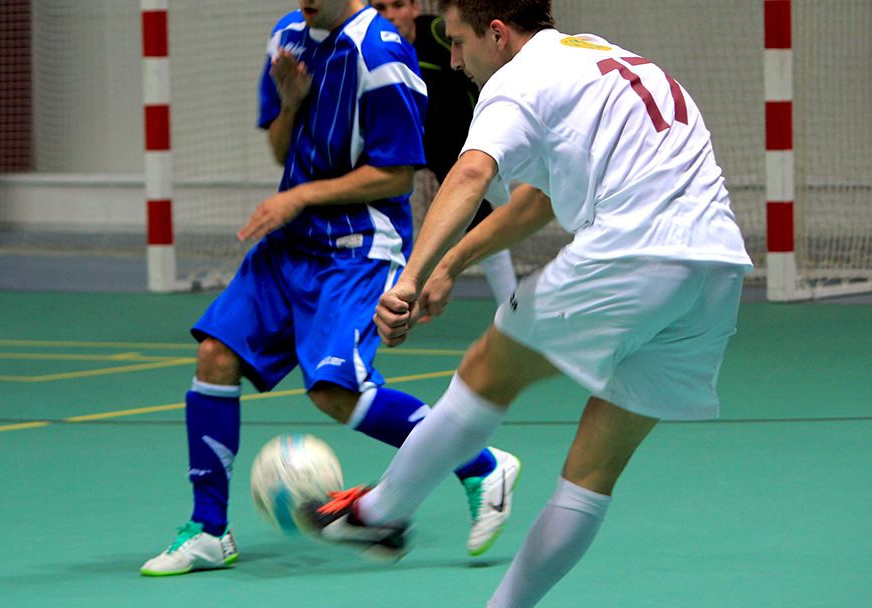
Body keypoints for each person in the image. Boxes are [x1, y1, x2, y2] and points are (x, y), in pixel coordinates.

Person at [307, 0, 754, 605]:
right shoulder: (599, 59)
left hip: (634, 252)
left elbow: (467, 178)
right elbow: (536, 204)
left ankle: (380, 512)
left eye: (460, 42)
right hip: (716, 272)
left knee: (486, 373)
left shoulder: (516, 79)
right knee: (591, 474)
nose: (456, 59)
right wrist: (452, 263)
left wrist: (410, 278)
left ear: (498, 33)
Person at [140, 0, 522, 577]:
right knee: (215, 355)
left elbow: (396, 175)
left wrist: (298, 197)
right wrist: (290, 106)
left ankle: (479, 464)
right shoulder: (288, 39)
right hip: (291, 246)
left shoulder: (384, 55)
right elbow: (280, 150)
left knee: (335, 389)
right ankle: (209, 530)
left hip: (358, 246)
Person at [370, 0, 518, 305]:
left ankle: (511, 304)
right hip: (411, 147)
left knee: (495, 217)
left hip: (464, 143)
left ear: (413, 8)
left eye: (397, 6)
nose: (389, 15)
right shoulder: (371, 49)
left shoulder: (439, 33)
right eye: (380, 8)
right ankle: (381, 296)